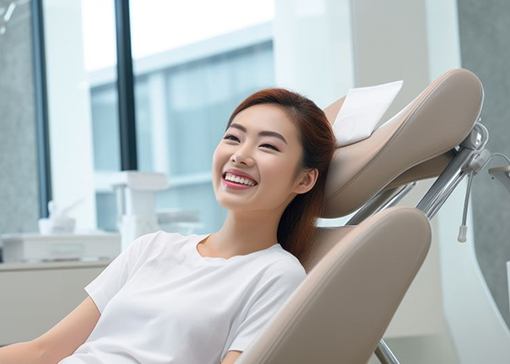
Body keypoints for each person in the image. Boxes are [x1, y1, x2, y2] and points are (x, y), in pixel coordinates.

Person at [0, 88, 336, 364]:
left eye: (267, 146)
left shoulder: (276, 274)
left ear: (305, 180)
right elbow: (44, 350)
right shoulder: (152, 247)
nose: (240, 156)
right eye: (233, 138)